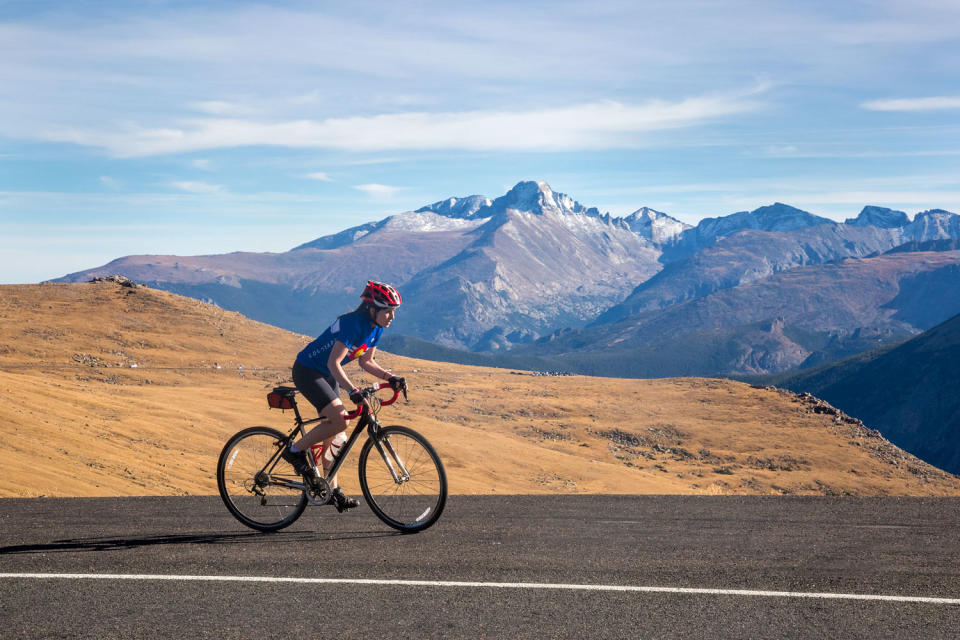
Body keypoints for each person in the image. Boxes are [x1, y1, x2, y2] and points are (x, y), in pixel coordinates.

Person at [282, 280, 406, 512]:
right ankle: (294, 451)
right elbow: (333, 362)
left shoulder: (376, 328)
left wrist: (391, 378)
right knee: (341, 419)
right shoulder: (352, 324)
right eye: (388, 311)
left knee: (336, 430)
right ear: (372, 309)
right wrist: (352, 390)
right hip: (308, 371)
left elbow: (366, 361)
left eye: (394, 312)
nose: (392, 317)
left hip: (326, 373)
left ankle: (331, 489)